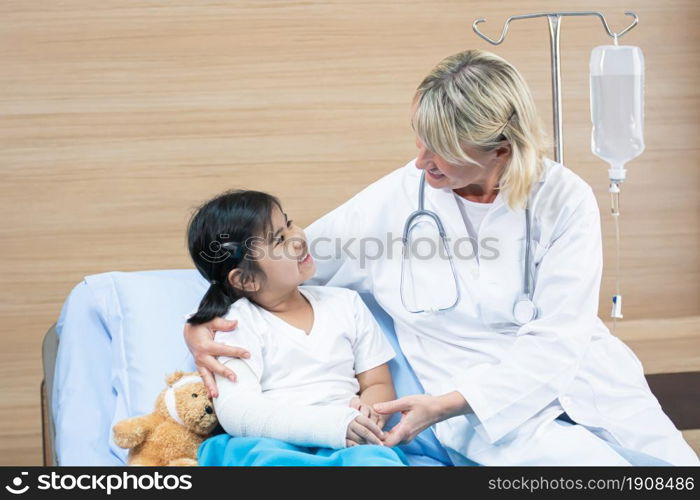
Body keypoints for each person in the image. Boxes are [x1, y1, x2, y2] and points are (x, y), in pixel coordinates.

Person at [184, 49, 699, 466]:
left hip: (585, 374)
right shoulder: (396, 200)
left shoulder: (565, 199)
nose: (420, 161)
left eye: (441, 148)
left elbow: (561, 335)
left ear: (501, 149)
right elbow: (276, 265)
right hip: (473, 402)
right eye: (420, 138)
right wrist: (201, 323)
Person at [185, 189, 408, 466]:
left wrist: (370, 414)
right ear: (246, 279)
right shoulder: (236, 324)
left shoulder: (346, 304)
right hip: (272, 444)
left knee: (376, 461)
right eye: (279, 239)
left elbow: (376, 382)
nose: (298, 237)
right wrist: (328, 426)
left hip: (348, 442)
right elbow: (237, 412)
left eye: (288, 223)